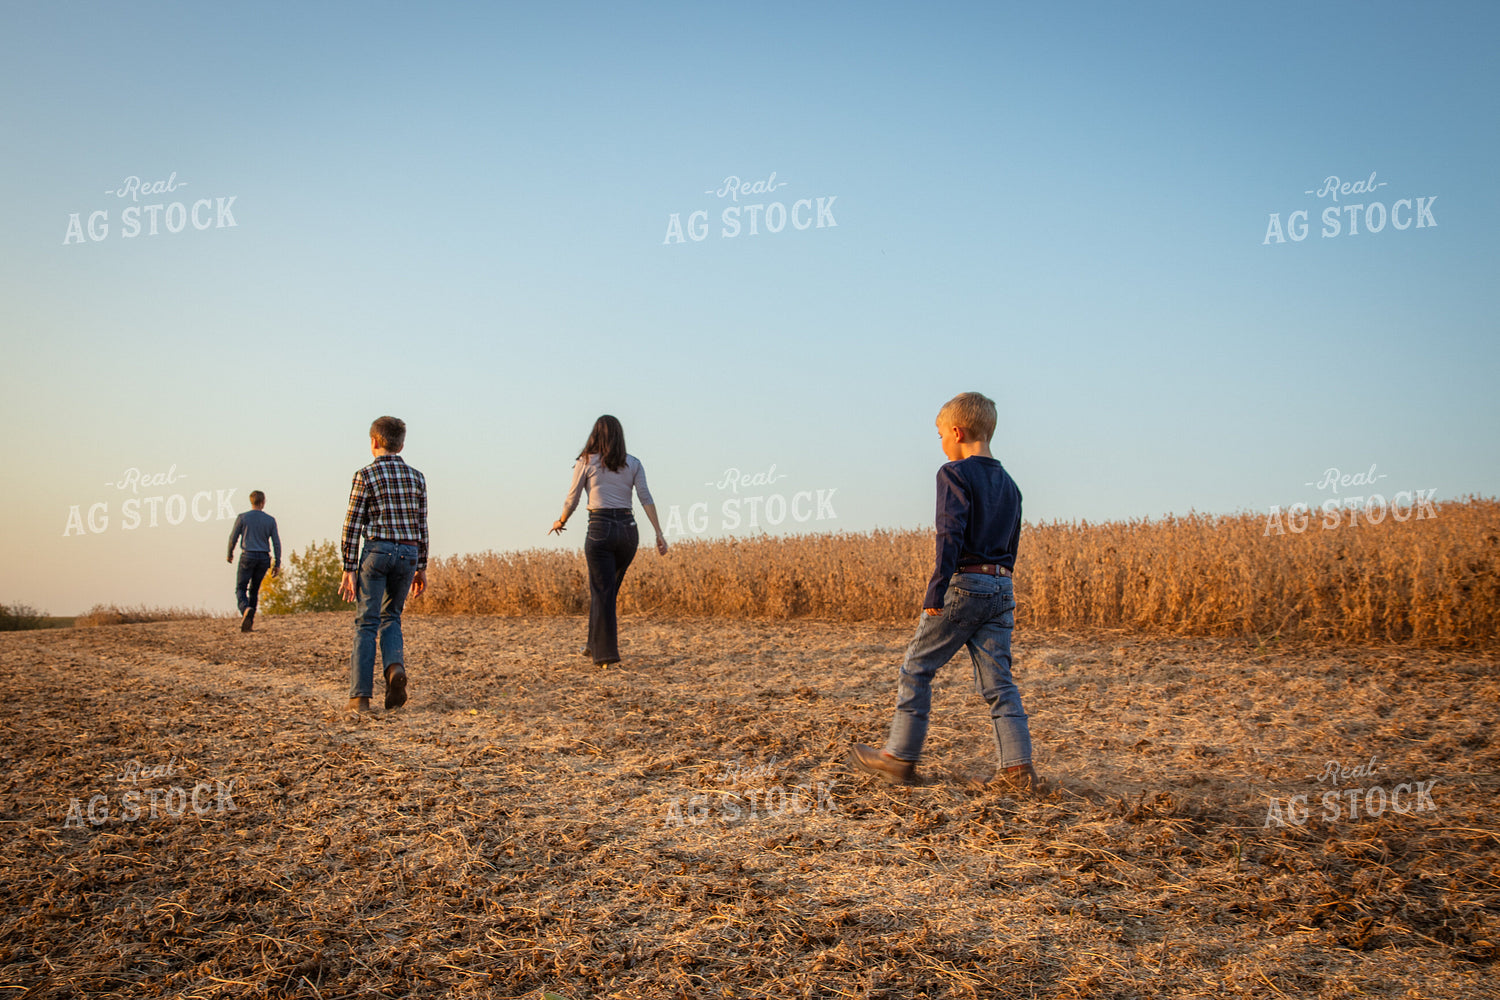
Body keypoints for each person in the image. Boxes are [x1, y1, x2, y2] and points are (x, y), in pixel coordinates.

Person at [850, 392, 1039, 791]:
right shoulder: (1011, 486)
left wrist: (936, 591)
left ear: (956, 431)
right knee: (1000, 683)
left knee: (916, 668)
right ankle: (1018, 771)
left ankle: (899, 757)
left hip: (964, 585)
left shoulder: (953, 474)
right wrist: (999, 584)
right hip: (1002, 585)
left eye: (939, 435)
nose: (941, 443)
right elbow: (1013, 542)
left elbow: (949, 534)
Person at [550, 415, 667, 666]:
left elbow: (572, 499)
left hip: (600, 528)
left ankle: (606, 654)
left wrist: (561, 520)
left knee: (602, 591)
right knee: (605, 591)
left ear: (595, 434)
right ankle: (593, 646)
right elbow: (646, 498)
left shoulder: (586, 461)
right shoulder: (634, 463)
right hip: (628, 531)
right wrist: (658, 533)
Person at [337, 416, 427, 713]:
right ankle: (394, 668)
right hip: (408, 553)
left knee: (366, 623)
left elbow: (352, 524)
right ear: (401, 444)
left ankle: (360, 697)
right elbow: (421, 524)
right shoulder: (417, 477)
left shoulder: (365, 475)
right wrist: (421, 566)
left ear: (374, 442)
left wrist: (349, 567)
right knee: (393, 617)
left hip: (376, 552)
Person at [226, 490, 281, 632]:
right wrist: (277, 562)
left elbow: (233, 537)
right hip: (263, 558)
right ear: (263, 502)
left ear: (251, 501)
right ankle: (249, 621)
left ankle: (245, 610)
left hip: (247, 556)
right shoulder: (270, 520)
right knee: (254, 591)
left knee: (240, 588)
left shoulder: (243, 518)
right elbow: (276, 543)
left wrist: (230, 553)